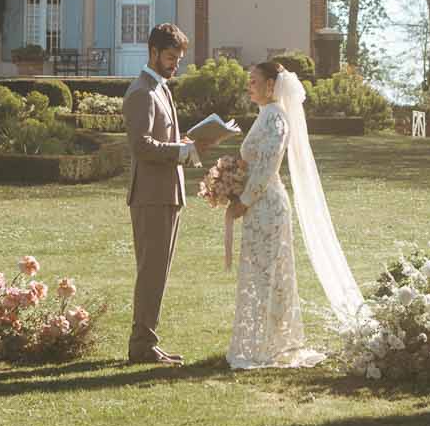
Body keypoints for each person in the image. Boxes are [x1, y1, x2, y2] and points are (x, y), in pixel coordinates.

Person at [225, 60, 364, 370]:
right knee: (260, 275)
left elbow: (268, 167)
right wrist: (229, 180)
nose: (249, 86)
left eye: (254, 81)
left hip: (267, 206)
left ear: (272, 85)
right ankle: (260, 342)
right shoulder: (265, 116)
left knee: (269, 276)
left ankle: (269, 345)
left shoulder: (277, 120)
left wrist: (244, 200)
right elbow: (252, 162)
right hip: (257, 206)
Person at [123, 21, 199, 366]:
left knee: (158, 273)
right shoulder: (141, 91)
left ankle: (147, 342)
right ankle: (141, 346)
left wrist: (183, 146)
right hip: (151, 195)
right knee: (151, 272)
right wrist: (178, 152)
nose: (175, 64)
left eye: (178, 58)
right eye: (171, 57)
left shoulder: (161, 89)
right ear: (153, 52)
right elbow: (142, 146)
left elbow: (161, 142)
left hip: (169, 193)